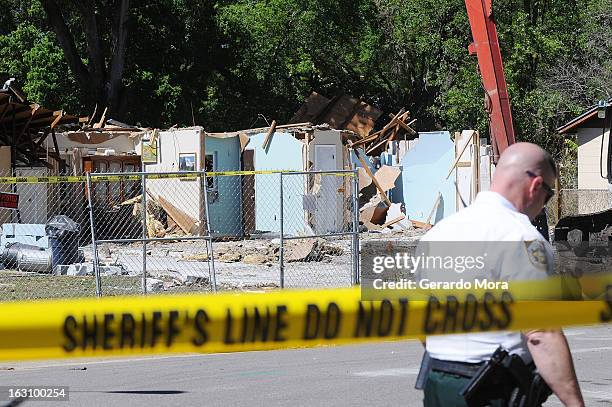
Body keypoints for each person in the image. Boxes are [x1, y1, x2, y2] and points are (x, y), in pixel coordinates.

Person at [416, 142, 584, 406]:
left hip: (438, 381)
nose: (543, 207)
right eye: (548, 196)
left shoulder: (437, 233)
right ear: (535, 186)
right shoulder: (523, 239)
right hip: (490, 389)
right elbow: (541, 334)